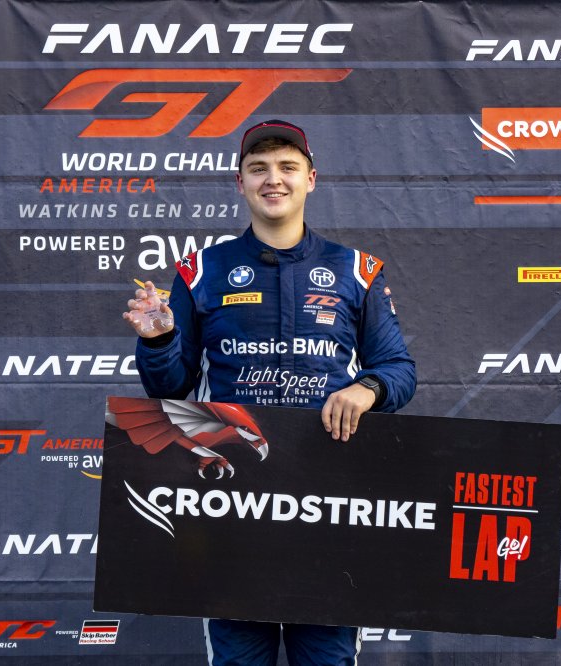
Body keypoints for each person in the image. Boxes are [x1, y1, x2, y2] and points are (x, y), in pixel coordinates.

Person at [123, 119, 416, 666]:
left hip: (328, 497)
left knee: (327, 659)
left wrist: (368, 389)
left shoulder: (356, 270)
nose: (273, 179)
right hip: (232, 498)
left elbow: (398, 369)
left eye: (287, 167)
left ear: (311, 178)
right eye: (258, 169)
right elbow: (171, 387)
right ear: (240, 183)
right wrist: (159, 340)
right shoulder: (200, 271)